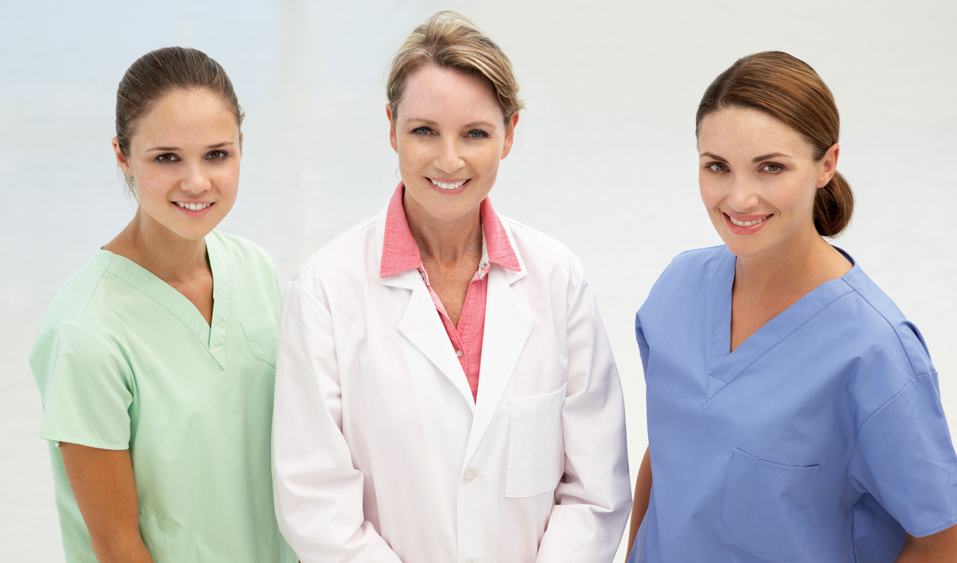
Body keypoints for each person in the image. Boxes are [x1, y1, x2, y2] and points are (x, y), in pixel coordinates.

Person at [271, 11, 630, 563]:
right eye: (423, 131)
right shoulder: (324, 291)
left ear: (510, 135)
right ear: (390, 126)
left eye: (475, 134)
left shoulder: (559, 280)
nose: (449, 160)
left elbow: (595, 490)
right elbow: (315, 502)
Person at [626, 51, 957, 562]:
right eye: (717, 167)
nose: (739, 198)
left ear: (826, 164)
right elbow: (670, 452)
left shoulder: (874, 350)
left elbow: (939, 538)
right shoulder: (678, 288)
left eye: (771, 168)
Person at [29, 47, 296, 562]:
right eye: (166, 157)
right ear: (122, 155)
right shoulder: (87, 332)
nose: (196, 182)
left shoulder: (254, 270)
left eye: (217, 154)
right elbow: (116, 546)